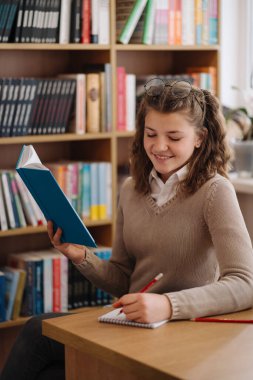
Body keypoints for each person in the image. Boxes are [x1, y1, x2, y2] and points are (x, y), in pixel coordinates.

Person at [2, 78, 253, 380]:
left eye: (174, 137)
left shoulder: (215, 191)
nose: (159, 147)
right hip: (133, 324)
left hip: (185, 328)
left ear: (199, 137)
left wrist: (168, 304)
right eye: (151, 134)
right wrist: (82, 256)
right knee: (43, 348)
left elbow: (245, 283)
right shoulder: (130, 190)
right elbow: (124, 280)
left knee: (40, 343)